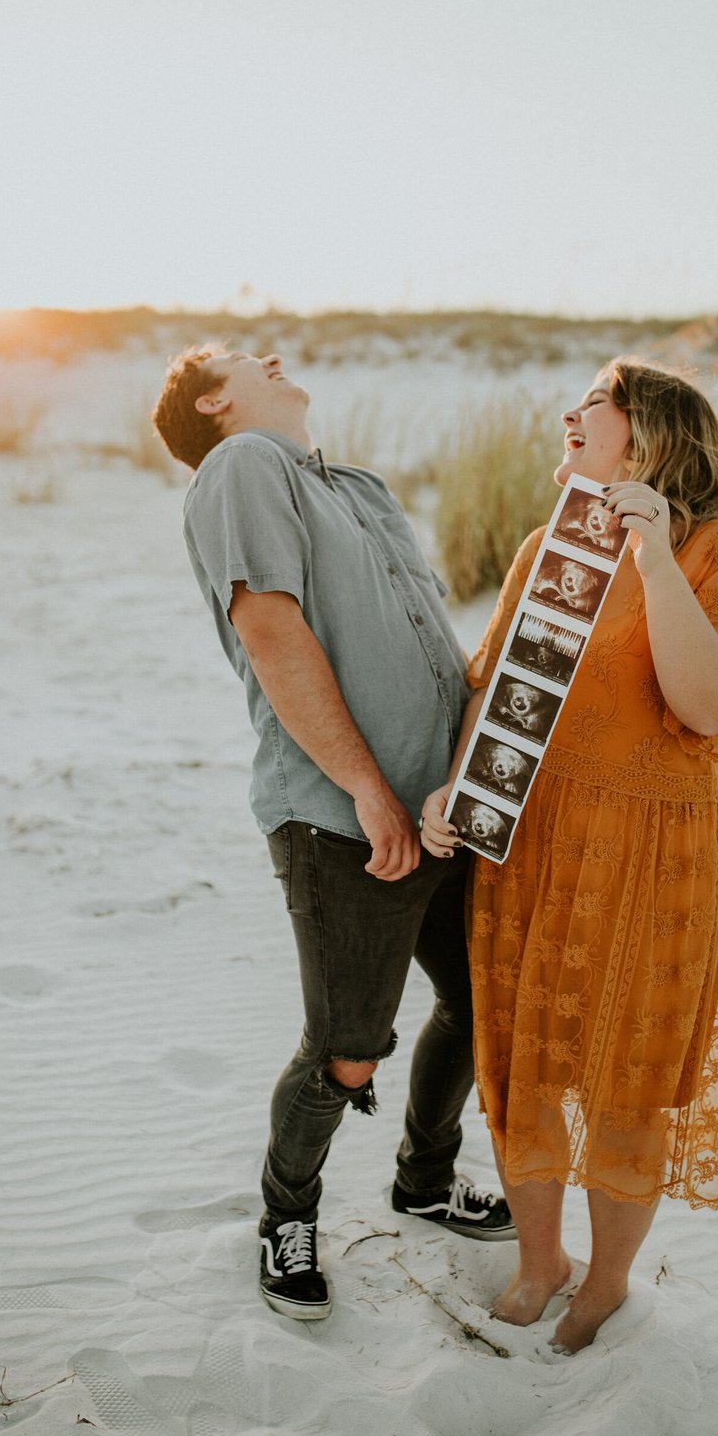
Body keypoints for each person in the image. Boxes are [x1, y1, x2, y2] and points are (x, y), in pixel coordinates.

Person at [151, 344, 514, 1323]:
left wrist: (467, 780)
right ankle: (286, 1212)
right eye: (239, 357)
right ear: (217, 402)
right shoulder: (240, 466)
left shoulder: (350, 483)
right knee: (346, 1051)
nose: (271, 353)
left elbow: (428, 638)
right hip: (345, 819)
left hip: (443, 809)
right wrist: (369, 788)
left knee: (485, 1003)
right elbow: (270, 626)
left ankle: (426, 1177)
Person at [422, 359, 718, 1354]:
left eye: (591, 402)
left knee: (626, 1085)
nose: (567, 415)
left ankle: (606, 1282)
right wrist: (457, 787)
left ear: (648, 430)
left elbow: (708, 709)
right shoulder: (552, 541)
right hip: (532, 847)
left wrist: (657, 559)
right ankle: (540, 1262)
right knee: (522, 1069)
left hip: (652, 860)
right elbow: (495, 690)